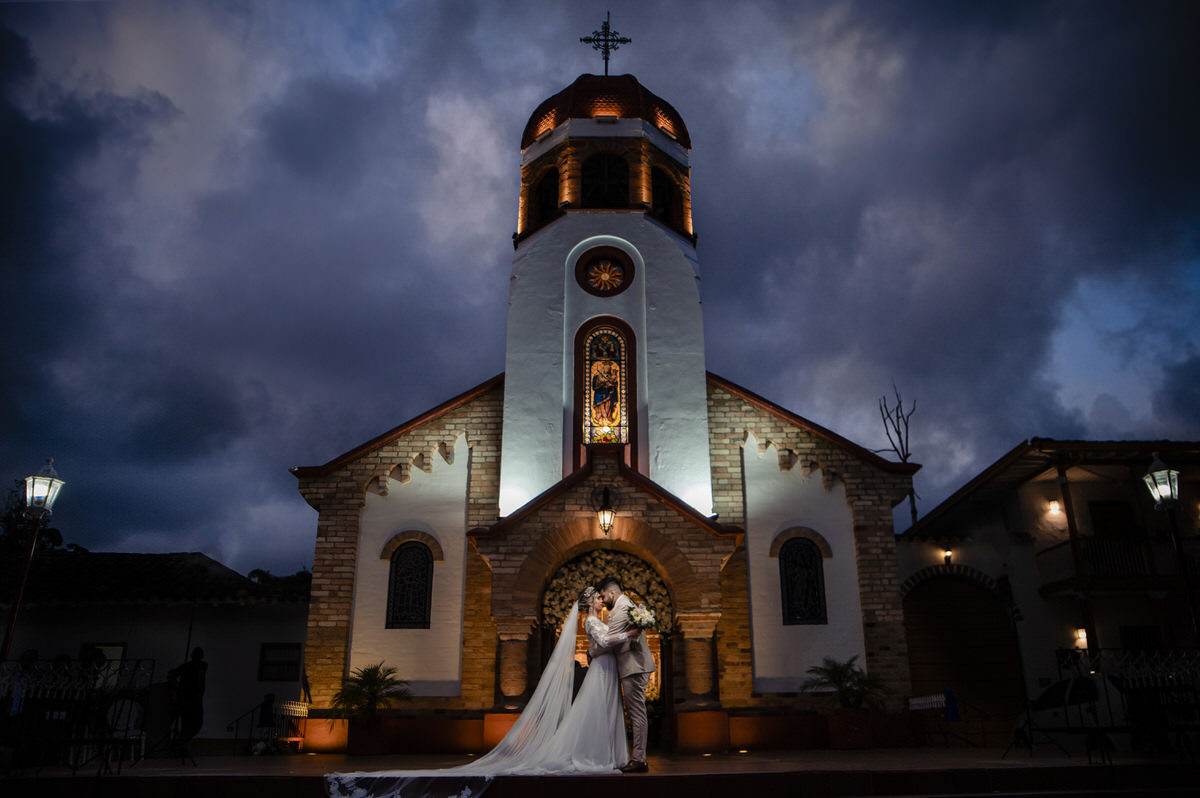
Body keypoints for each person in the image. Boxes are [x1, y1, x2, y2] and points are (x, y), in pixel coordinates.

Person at [326, 584, 641, 797]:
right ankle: (592, 755)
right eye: (598, 597)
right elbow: (604, 642)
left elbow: (599, 647)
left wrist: (610, 643)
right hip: (601, 673)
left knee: (602, 711)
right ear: (590, 602)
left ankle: (605, 754)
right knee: (594, 712)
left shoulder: (599, 620)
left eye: (601, 597)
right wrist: (629, 634)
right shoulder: (592, 622)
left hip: (605, 670)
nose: (602, 600)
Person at [597, 575, 656, 773]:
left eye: (603, 596)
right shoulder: (626, 604)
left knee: (637, 713)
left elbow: (608, 640)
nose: (603, 601)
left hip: (634, 667)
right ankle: (638, 757)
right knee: (636, 712)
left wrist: (592, 652)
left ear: (612, 592)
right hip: (633, 666)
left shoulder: (622, 608)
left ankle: (639, 759)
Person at [168, 647, 207, 752]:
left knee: (193, 725)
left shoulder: (201, 666)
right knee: (190, 724)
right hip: (187, 699)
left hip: (194, 700)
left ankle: (179, 744)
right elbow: (172, 675)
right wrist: (177, 689)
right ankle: (179, 745)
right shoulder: (187, 667)